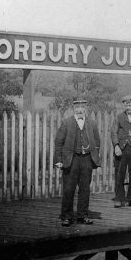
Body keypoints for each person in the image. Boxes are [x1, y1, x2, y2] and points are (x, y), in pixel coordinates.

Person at [53, 97, 101, 226]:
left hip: (86, 159)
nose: (80, 110)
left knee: (85, 189)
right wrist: (58, 160)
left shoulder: (92, 123)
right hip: (71, 159)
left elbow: (97, 141)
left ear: (86, 109)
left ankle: (83, 215)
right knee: (69, 189)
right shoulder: (67, 122)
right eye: (77, 108)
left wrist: (93, 157)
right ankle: (66, 216)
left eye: (82, 107)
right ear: (74, 109)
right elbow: (58, 142)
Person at [111, 95, 131, 208]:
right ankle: (119, 199)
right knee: (120, 174)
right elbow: (113, 132)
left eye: (130, 104)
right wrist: (116, 146)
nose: (128, 106)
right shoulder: (119, 117)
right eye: (126, 104)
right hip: (121, 149)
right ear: (123, 105)